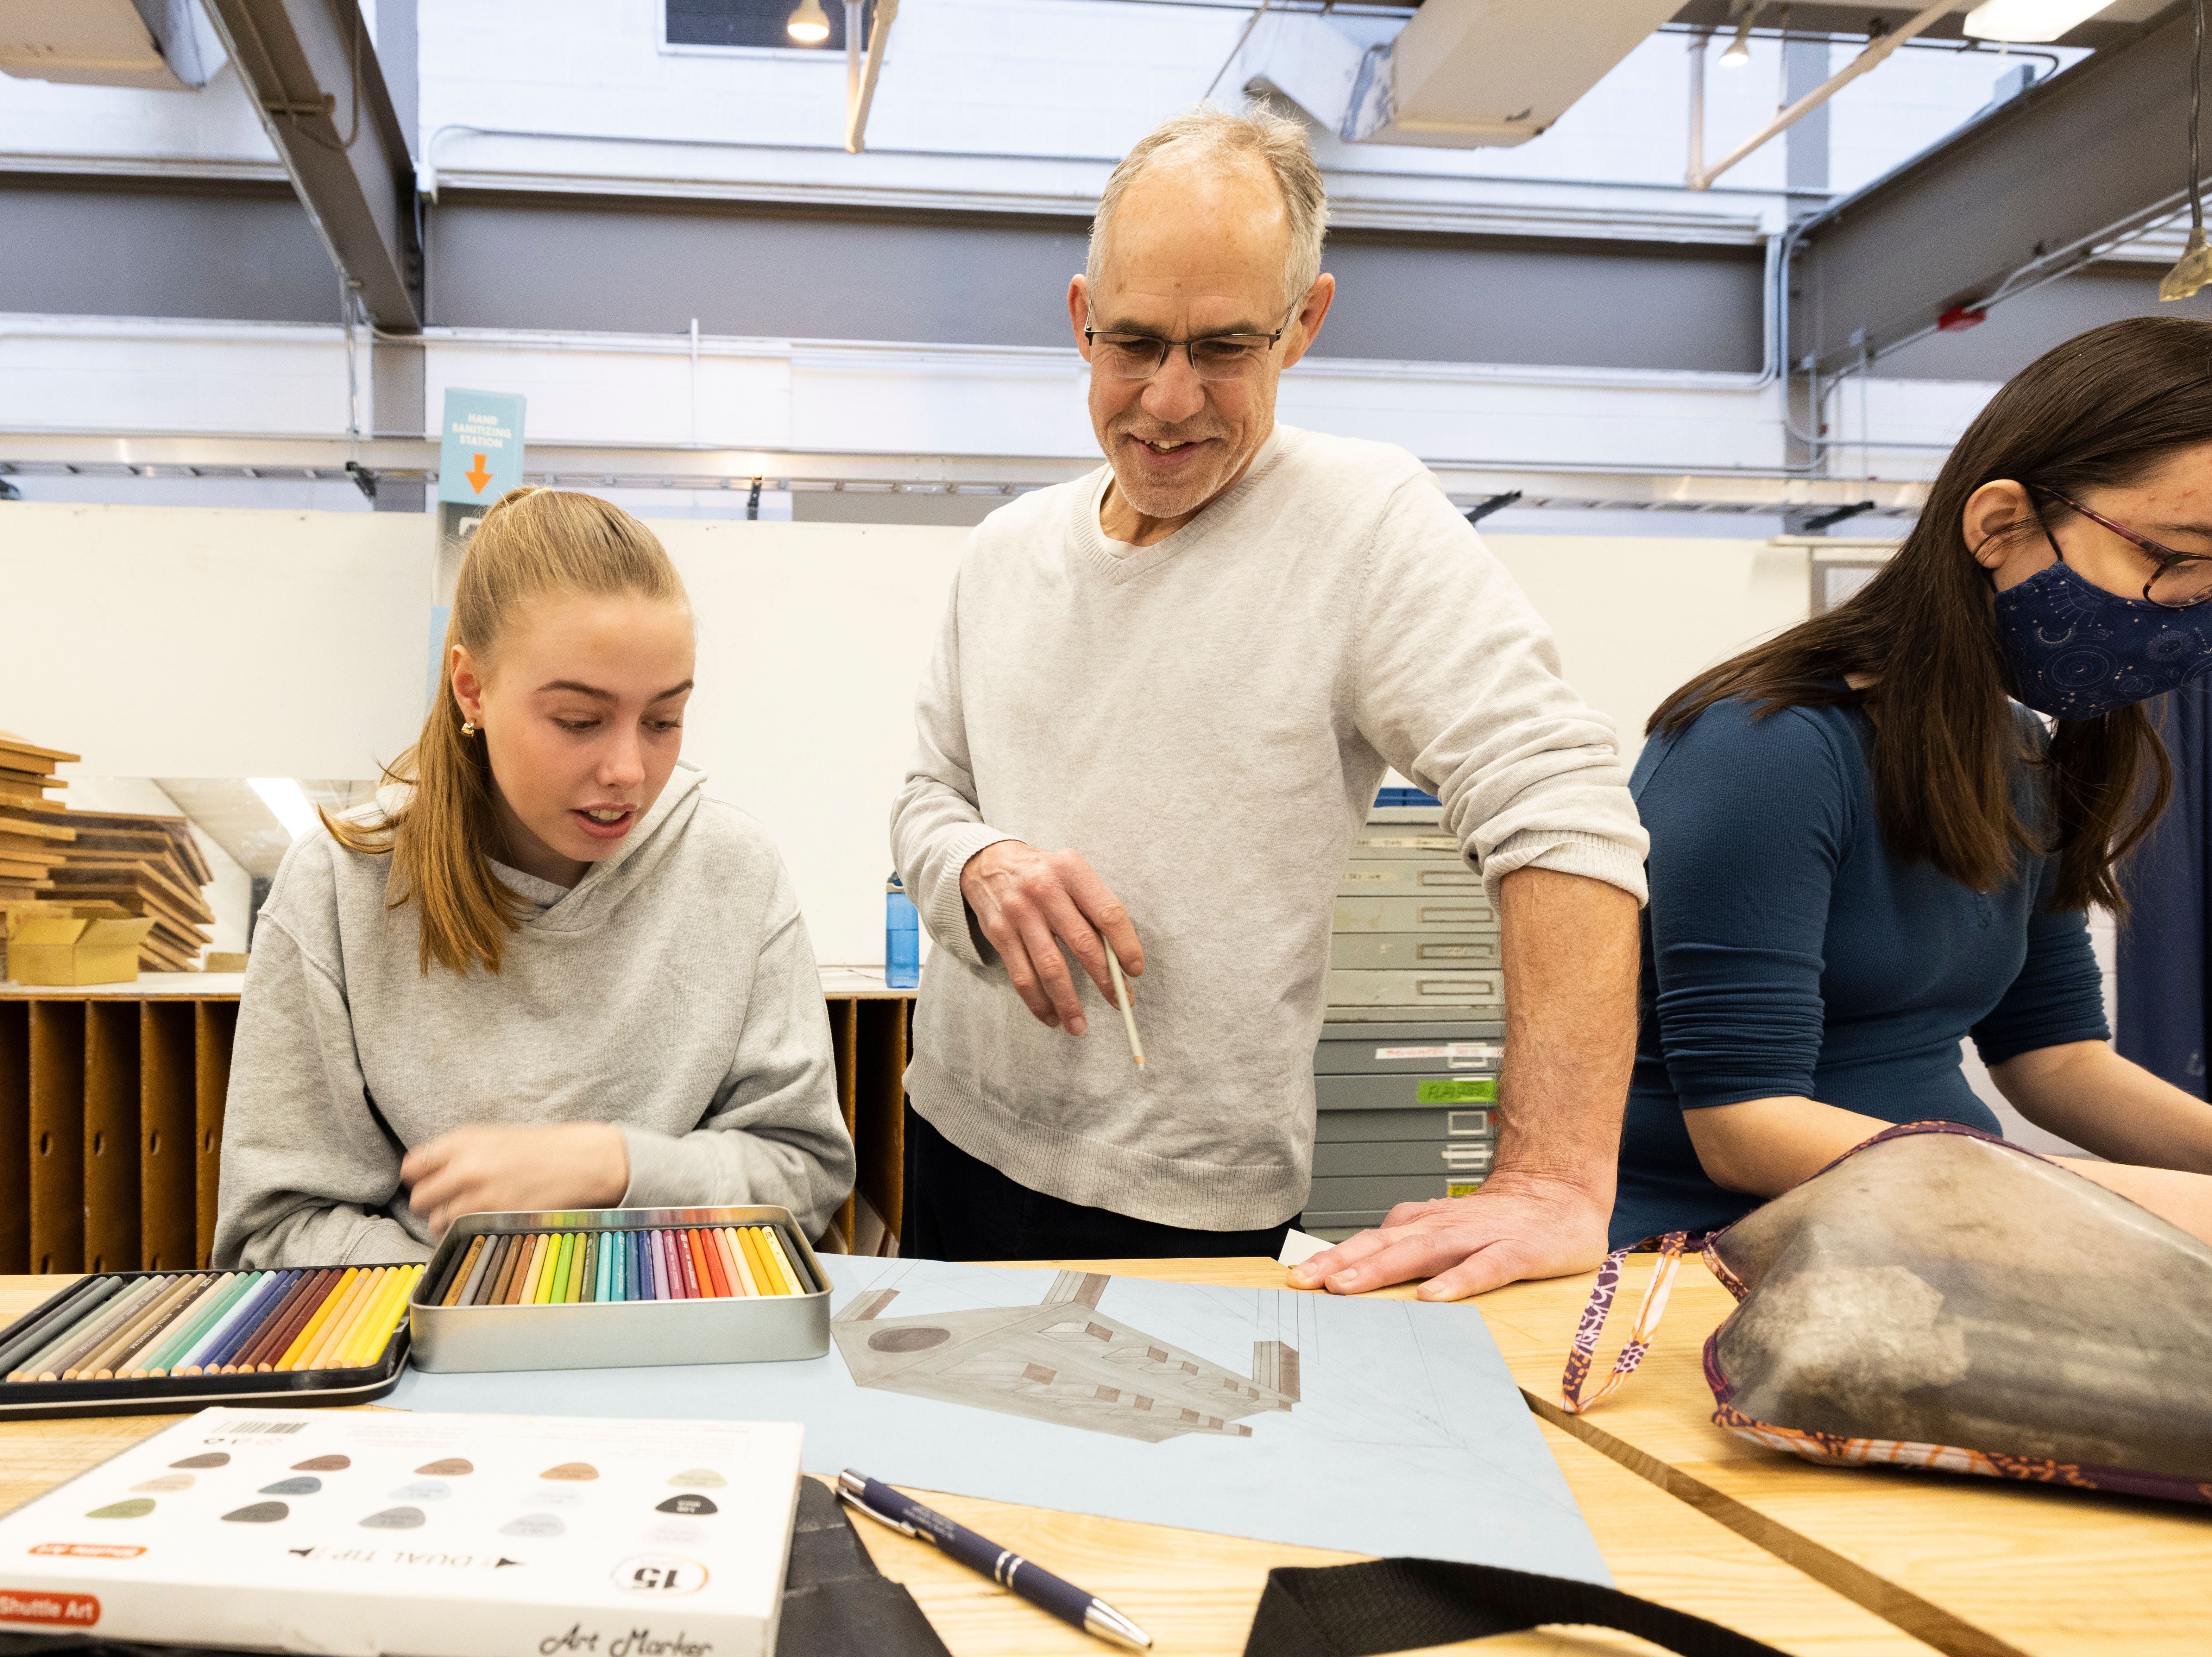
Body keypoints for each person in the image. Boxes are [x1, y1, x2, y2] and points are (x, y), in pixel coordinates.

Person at [888, 104, 1649, 1301]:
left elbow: (1562, 799)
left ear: (1304, 324)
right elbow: (928, 797)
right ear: (1081, 318)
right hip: (954, 1133)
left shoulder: (1364, 523)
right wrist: (979, 866)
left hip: (1185, 1206)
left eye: (1224, 348)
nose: (1171, 401)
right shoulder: (1002, 551)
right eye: (1134, 344)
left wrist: (1554, 1175)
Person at [1616, 316, 2212, 1243]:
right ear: (2001, 524)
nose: (2187, 606)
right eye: (2171, 558)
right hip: (1713, 1262)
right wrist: (2116, 1205)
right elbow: (1745, 1128)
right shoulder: (1763, 746)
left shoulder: (2018, 753)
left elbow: (2055, 1060)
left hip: (1927, 1239)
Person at [213, 486, 855, 1269]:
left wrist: (612, 1165)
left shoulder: (735, 870)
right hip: (428, 1348)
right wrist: (494, 1293)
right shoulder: (338, 884)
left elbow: (807, 1170)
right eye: (579, 721)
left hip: (672, 1333)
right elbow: (276, 1228)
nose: (628, 770)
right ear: (471, 688)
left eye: (663, 719)